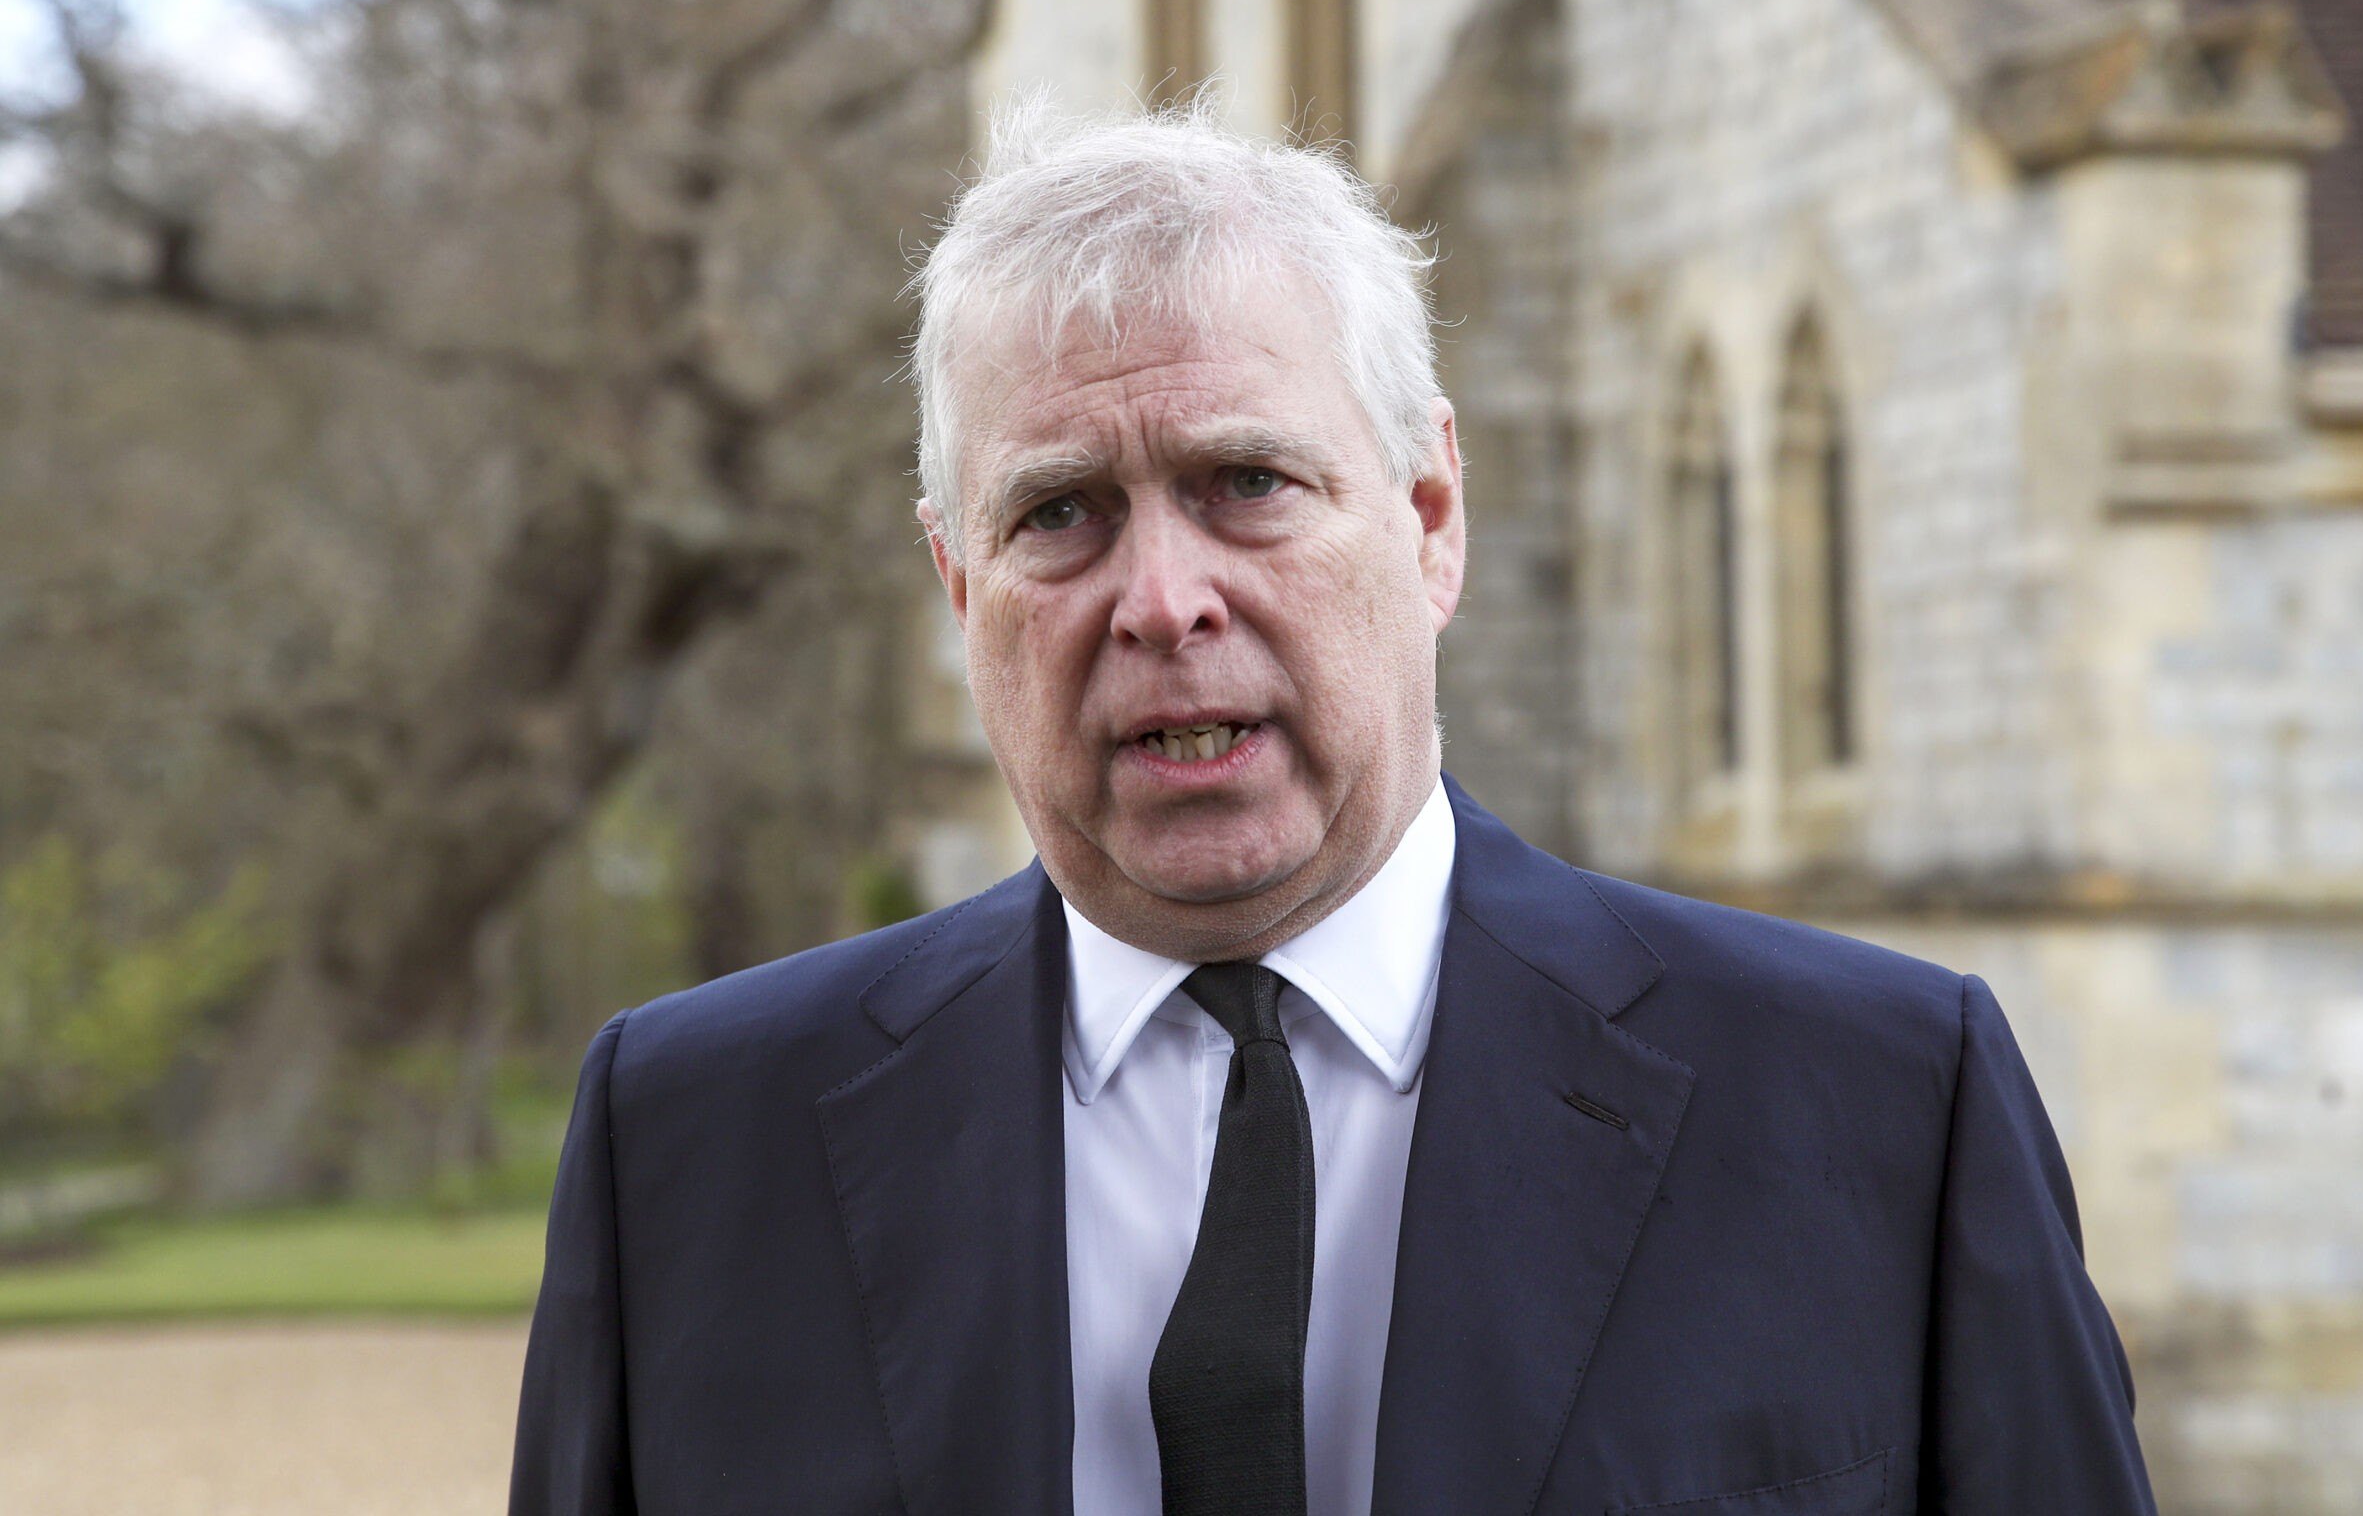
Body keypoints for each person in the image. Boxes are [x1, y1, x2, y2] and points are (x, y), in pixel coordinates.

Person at [509, 103, 2156, 1515]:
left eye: (1248, 484)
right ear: (961, 585)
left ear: (1431, 518)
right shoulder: (692, 1149)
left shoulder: (1879, 1110)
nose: (1163, 600)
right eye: (1061, 513)